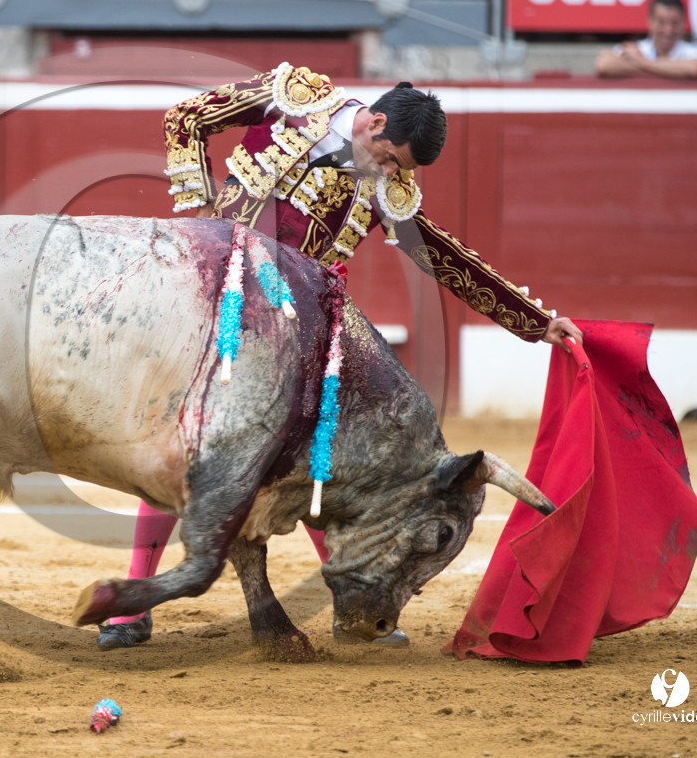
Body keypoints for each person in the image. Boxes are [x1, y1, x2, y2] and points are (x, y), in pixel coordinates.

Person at [95, 62, 583, 651]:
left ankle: (352, 602)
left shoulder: (389, 190)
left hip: (301, 334)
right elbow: (186, 119)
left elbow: (443, 259)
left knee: (322, 458)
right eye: (393, 157)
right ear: (374, 122)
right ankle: (131, 608)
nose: (393, 172)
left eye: (402, 168)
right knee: (188, 445)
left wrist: (535, 322)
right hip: (221, 310)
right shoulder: (295, 99)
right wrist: (201, 226)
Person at [594, 0, 697, 80]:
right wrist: (668, 69)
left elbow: (694, 69)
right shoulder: (638, 48)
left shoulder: (692, 51)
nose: (668, 30)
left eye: (674, 23)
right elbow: (604, 65)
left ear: (683, 23)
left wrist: (643, 62)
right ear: (650, 22)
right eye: (661, 22)